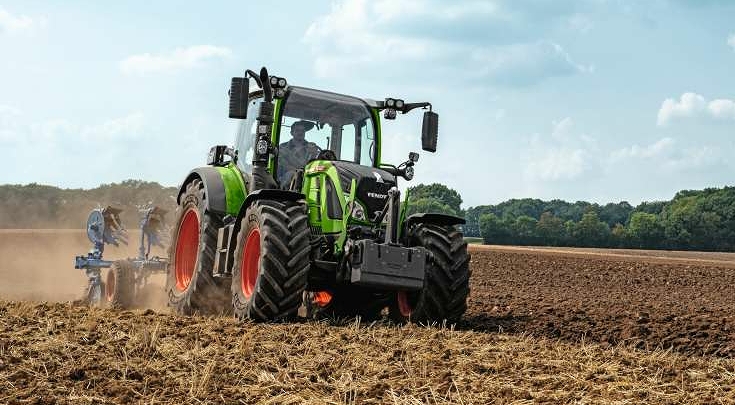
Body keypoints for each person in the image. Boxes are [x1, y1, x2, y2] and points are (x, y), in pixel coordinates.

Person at [278, 120, 320, 185]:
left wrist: (314, 154)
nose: (300, 133)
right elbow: (284, 164)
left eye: (303, 131)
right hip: (287, 178)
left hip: (308, 174)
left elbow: (315, 163)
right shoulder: (283, 147)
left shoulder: (312, 147)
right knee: (291, 174)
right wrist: (299, 172)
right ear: (291, 133)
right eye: (297, 130)